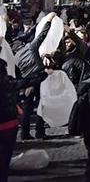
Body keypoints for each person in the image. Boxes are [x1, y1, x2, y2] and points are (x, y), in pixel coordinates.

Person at [0, 57, 46, 180]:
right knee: (5, 159)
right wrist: (43, 74)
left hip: (7, 125)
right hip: (10, 125)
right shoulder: (8, 82)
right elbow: (26, 81)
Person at [16, 12, 55, 140]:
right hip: (37, 79)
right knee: (41, 105)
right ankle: (40, 131)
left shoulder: (17, 55)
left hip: (25, 82)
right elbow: (41, 35)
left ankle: (25, 133)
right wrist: (49, 20)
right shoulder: (32, 48)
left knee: (27, 108)